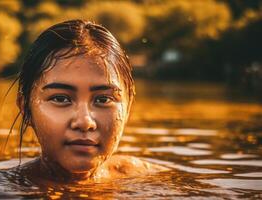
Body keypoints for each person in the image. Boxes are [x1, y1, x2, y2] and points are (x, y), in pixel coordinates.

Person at [13, 19, 166, 184]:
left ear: (128, 108)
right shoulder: (1, 191)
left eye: (103, 99)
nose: (85, 122)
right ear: (26, 108)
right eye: (60, 98)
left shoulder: (151, 178)